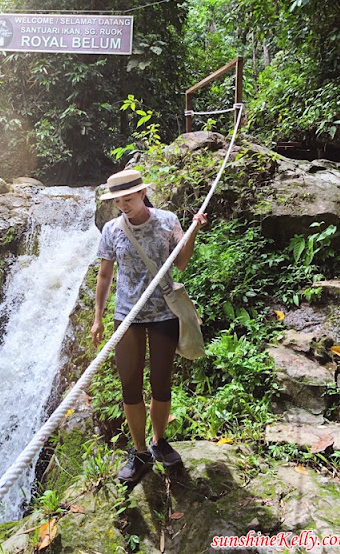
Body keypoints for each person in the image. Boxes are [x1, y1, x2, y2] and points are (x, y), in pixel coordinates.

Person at [91, 169, 207, 484]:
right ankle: (140, 452)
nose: (123, 206)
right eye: (118, 201)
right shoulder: (112, 229)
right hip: (127, 316)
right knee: (130, 387)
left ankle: (158, 441)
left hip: (163, 314)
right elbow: (104, 276)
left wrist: (194, 230)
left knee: (161, 383)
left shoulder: (168, 221)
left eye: (128, 199)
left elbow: (181, 263)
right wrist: (98, 317)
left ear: (143, 194)